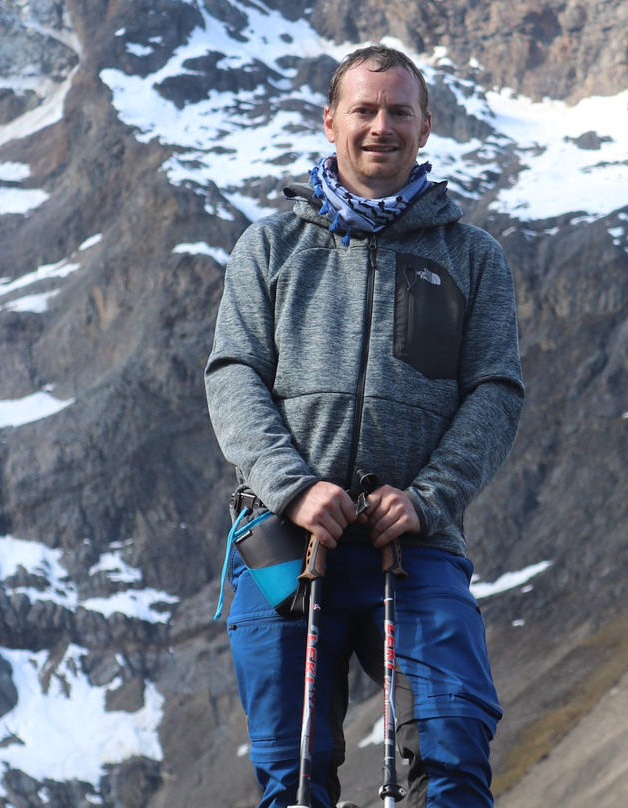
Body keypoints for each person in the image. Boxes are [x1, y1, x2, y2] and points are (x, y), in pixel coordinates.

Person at [205, 44, 524, 808]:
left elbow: (495, 393)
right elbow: (234, 375)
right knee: (292, 779)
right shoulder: (271, 248)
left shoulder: (472, 257)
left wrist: (428, 498)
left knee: (454, 759)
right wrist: (292, 489)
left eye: (399, 112)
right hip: (285, 545)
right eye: (365, 109)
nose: (382, 126)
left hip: (414, 547)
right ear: (330, 121)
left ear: (425, 127)